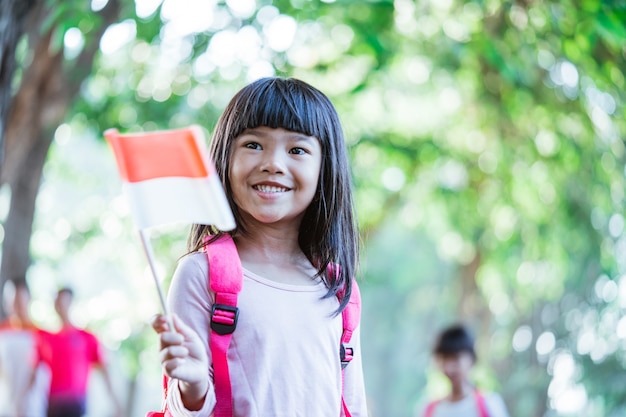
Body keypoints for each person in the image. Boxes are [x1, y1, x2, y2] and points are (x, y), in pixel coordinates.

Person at [151, 77, 368, 416]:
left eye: (297, 150)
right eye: (254, 144)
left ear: (326, 167)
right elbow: (185, 410)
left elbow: (353, 405)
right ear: (225, 156)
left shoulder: (339, 287)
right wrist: (191, 385)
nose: (273, 164)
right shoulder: (201, 274)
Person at [37, 287, 123, 417]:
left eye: (64, 300)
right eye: (57, 301)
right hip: (54, 403)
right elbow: (32, 372)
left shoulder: (87, 338)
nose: (61, 305)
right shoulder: (46, 339)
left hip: (77, 402)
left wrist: (116, 404)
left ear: (71, 302)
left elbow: (105, 372)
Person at [421, 324, 509, 417]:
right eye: (444, 359)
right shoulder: (430, 410)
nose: (449, 368)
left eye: (455, 359)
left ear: (472, 359)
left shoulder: (490, 404)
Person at [0, 280, 50, 417]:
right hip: (5, 407)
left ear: (28, 299)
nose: (17, 305)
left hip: (33, 408)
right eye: (13, 300)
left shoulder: (41, 335)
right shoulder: (2, 332)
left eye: (20, 300)